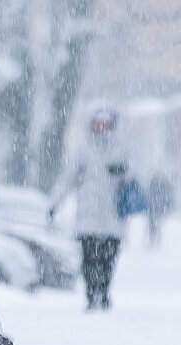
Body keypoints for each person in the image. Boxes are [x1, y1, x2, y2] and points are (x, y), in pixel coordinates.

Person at [48, 107, 130, 311]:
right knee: (89, 259)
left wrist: (122, 172)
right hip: (88, 215)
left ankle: (104, 290)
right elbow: (68, 178)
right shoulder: (82, 148)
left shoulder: (120, 148)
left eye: (106, 124)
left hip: (112, 216)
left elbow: (131, 177)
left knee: (108, 259)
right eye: (98, 123)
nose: (102, 128)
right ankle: (92, 292)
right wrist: (54, 203)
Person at [147, 172, 175, 248]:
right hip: (154, 209)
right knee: (153, 225)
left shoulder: (159, 186)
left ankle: (155, 241)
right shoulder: (155, 186)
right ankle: (153, 241)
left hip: (157, 209)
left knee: (156, 225)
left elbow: (166, 197)